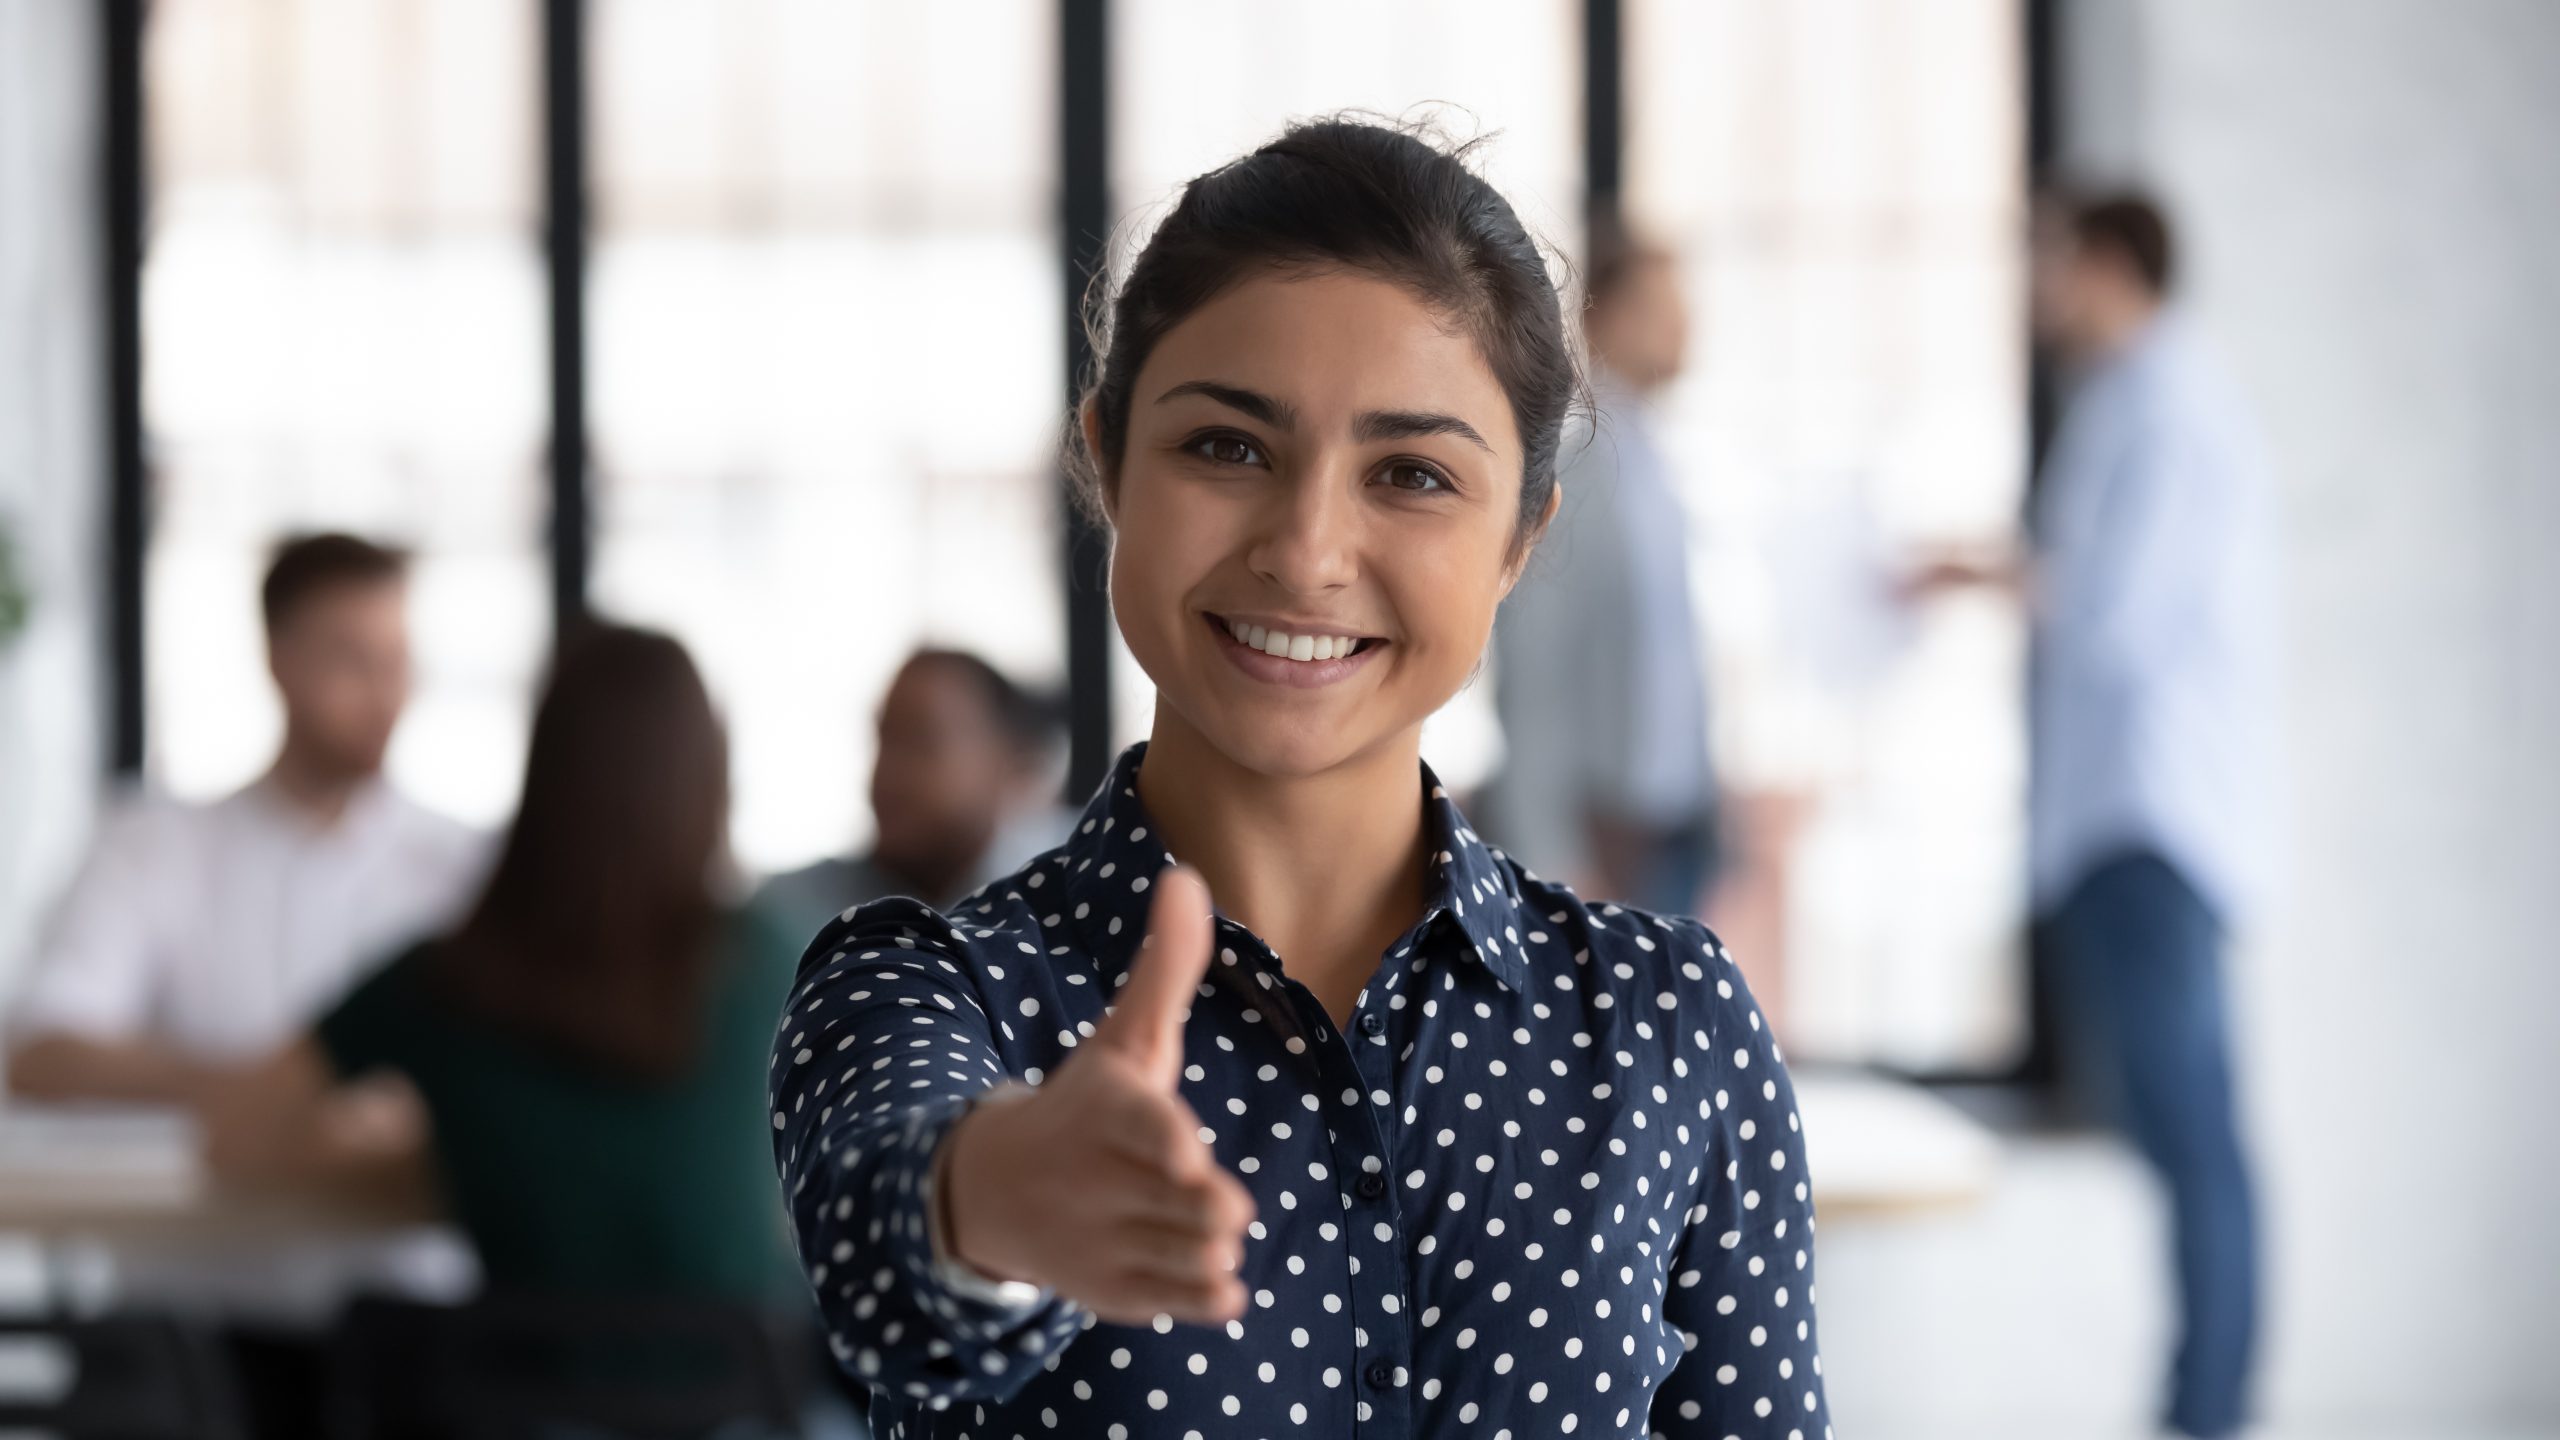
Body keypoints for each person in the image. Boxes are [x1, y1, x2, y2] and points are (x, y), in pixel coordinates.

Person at [769, 119, 1829, 1438]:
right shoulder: (932, 986)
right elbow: (884, 1272)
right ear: (1106, 457)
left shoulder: (1672, 1024)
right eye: (1226, 447)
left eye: (1412, 475)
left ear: (1519, 541)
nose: (1309, 548)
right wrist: (990, 1206)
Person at [1912, 188, 2272, 1440]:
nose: (2034, 286)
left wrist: (1985, 569)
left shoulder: (2168, 408)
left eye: (2050, 260)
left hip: (2148, 822)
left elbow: (2118, 613)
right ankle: (2201, 1406)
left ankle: (2206, 1414)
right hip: (2125, 821)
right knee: (2183, 1136)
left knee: (2193, 1138)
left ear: (2112, 260)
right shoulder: (2130, 402)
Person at [213, 622, 805, 1306]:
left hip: (522, 1400)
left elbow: (234, 1134)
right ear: (709, 777)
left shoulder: (438, 979)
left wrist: (430, 1155)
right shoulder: (768, 961)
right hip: (752, 1393)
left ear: (542, 772)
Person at [7, 533, 484, 1113]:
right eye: (351, 660)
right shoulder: (154, 846)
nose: (385, 694)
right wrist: (261, 1094)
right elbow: (43, 1053)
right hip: (205, 1199)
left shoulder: (469, 863)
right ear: (278, 659)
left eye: (396, 661)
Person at [1486, 220, 1721, 916]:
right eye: (1661, 309)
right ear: (1605, 321)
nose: (1683, 327)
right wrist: (1550, 852)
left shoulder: (1655, 460)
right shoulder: (1575, 467)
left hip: (1674, 820)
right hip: (1601, 829)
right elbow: (1535, 667)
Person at [756, 648, 1067, 934]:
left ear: (1005, 764)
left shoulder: (1065, 897)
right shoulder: (791, 913)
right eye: (883, 738)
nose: (888, 771)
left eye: (919, 741)